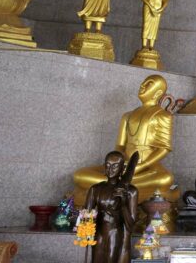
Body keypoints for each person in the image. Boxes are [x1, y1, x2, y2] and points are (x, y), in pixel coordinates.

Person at [73, 75, 176, 207]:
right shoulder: (127, 116)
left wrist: (140, 166)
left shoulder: (163, 115)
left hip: (147, 167)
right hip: (122, 165)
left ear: (158, 93)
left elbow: (163, 148)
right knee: (80, 174)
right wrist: (117, 165)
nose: (142, 85)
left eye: (148, 84)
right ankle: (121, 185)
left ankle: (111, 187)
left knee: (165, 179)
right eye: (143, 82)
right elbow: (120, 146)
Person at [83, 151, 138, 263]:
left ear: (123, 168)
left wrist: (123, 203)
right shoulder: (95, 189)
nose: (110, 169)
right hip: (98, 233)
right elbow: (86, 215)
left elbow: (131, 224)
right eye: (107, 165)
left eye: (115, 166)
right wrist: (85, 232)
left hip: (115, 232)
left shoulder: (131, 191)